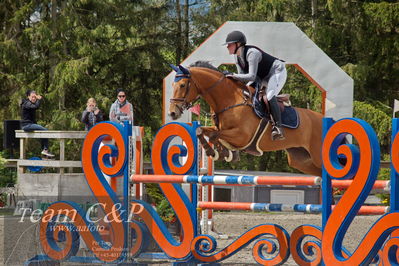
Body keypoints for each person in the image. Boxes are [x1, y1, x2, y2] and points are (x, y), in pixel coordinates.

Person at [224, 30, 287, 140]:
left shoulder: (252, 53)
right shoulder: (237, 58)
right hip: (262, 77)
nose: (227, 47)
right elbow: (243, 79)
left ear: (238, 44)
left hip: (277, 71)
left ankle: (278, 127)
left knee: (270, 95)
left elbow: (251, 76)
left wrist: (233, 75)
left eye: (230, 44)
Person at [20, 90, 54, 157]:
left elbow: (35, 107)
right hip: (26, 125)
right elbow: (36, 106)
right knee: (45, 131)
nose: (34, 99)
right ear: (28, 97)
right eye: (32, 97)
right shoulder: (26, 103)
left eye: (35, 97)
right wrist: (39, 99)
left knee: (42, 132)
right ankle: (45, 150)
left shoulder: (30, 104)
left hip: (30, 124)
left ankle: (44, 152)